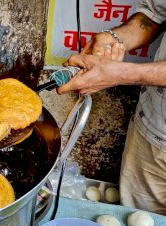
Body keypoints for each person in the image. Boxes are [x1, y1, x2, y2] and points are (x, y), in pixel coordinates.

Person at [58, 0, 166, 215]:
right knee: (134, 217)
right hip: (152, 130)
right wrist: (114, 39)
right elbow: (154, 13)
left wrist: (120, 74)